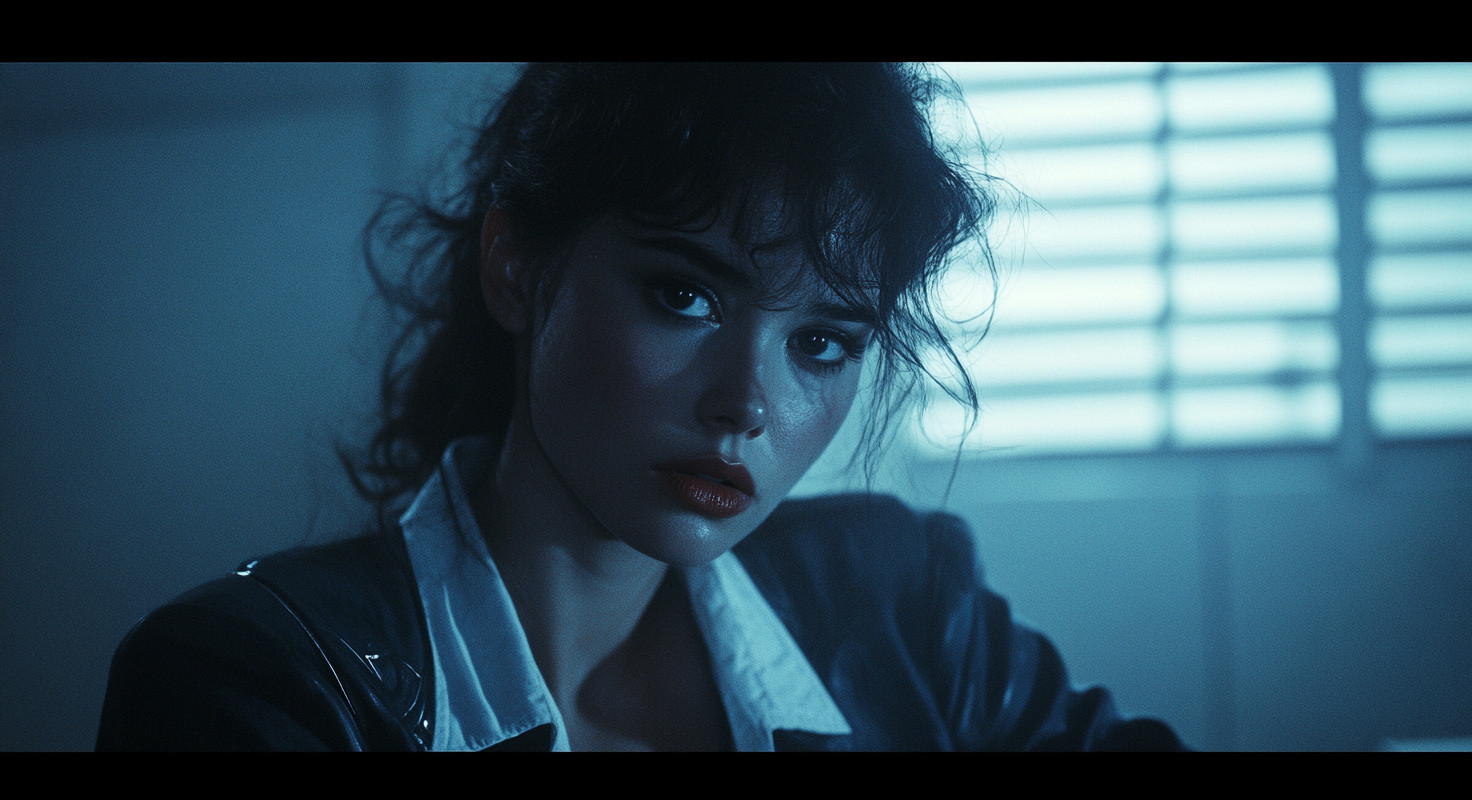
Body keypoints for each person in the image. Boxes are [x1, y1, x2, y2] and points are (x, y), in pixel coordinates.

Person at [95, 63, 1185, 751]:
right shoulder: (259, 683)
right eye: (684, 293)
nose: (745, 404)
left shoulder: (905, 606)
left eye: (820, 342)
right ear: (515, 265)